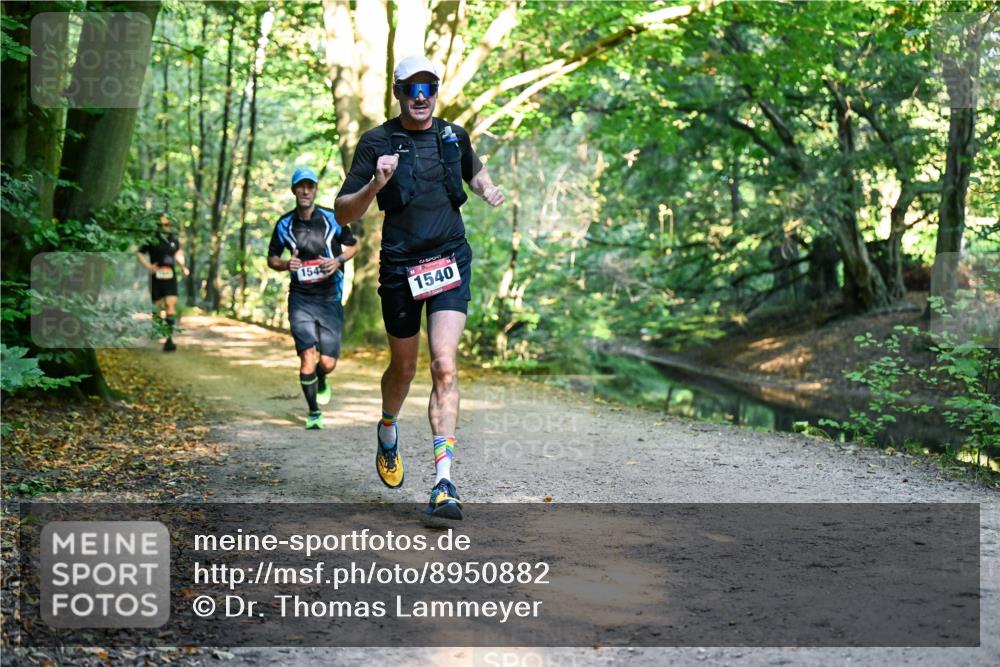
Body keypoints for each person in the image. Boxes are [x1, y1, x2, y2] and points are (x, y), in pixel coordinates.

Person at [334, 54, 504, 520]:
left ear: (435, 91)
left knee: (445, 366)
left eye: (428, 86)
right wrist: (375, 184)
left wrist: (488, 188)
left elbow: (475, 170)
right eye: (412, 88)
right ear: (399, 93)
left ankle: (444, 482)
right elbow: (343, 212)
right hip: (400, 266)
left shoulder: (453, 134)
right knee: (404, 370)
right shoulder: (377, 142)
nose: (421, 96)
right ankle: (388, 427)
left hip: (449, 257)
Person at [268, 167, 358, 430]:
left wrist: (338, 260)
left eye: (310, 186)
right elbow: (272, 258)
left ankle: (322, 377)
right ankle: (314, 412)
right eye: (300, 186)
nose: (305, 191)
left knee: (327, 363)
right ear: (294, 190)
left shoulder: (333, 219)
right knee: (307, 355)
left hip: (330, 296)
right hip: (301, 299)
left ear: (315, 190)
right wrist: (286, 265)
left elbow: (353, 244)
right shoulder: (284, 224)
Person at [137, 214, 189, 352]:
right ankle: (157, 330)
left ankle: (169, 339)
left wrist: (183, 266)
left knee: (170, 305)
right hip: (156, 277)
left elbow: (178, 253)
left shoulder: (173, 239)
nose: (164, 228)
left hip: (170, 276)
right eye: (161, 225)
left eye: (166, 225)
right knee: (157, 307)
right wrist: (149, 267)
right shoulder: (152, 240)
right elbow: (140, 253)